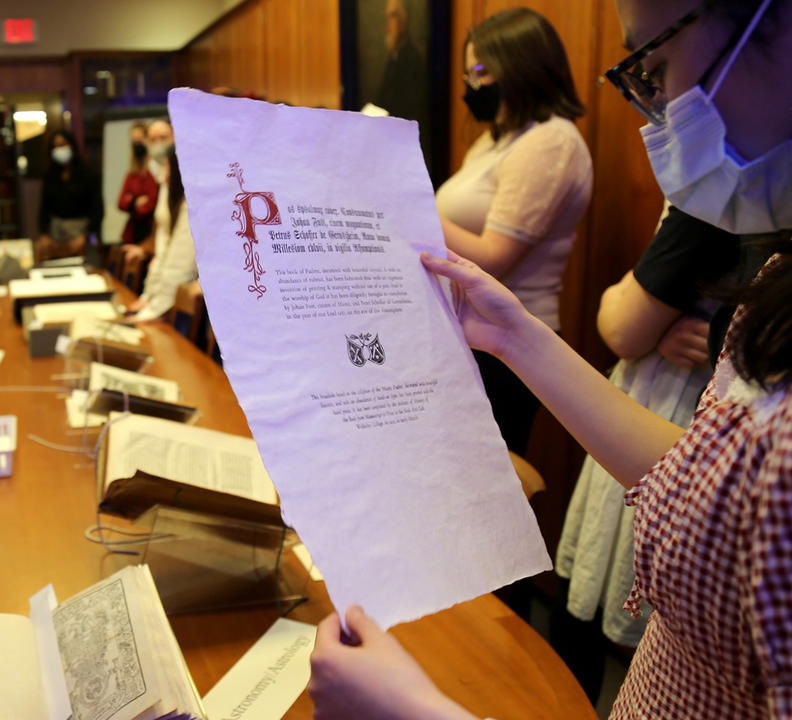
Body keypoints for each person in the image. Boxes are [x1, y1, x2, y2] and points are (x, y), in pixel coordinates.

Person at [310, 0, 792, 717]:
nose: (654, 106)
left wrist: (413, 710)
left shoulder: (553, 143)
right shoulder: (777, 281)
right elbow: (706, 472)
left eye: (654, 64)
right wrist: (513, 333)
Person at [551, 204, 740, 699]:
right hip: (674, 423)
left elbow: (620, 325)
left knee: (628, 605)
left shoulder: (714, 199)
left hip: (671, 414)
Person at [433, 8, 593, 454]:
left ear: (521, 64)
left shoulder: (551, 140)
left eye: (480, 71)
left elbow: (496, 257)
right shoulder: (493, 140)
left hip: (511, 341)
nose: (472, 84)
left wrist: (408, 211)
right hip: (471, 331)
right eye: (468, 73)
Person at [127, 148, 196, 322]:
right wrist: (149, 297)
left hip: (179, 297)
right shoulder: (171, 190)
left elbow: (180, 261)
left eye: (167, 168)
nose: (161, 176)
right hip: (163, 296)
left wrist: (156, 308)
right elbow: (163, 246)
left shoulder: (192, 200)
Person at [37, 129, 103, 262]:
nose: (59, 150)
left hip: (80, 231)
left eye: (63, 145)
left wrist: (85, 235)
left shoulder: (88, 174)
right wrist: (44, 234)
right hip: (56, 232)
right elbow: (44, 208)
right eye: (55, 147)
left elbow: (97, 209)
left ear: (72, 146)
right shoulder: (50, 176)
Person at [122, 118, 175, 267]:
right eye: (152, 140)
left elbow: (149, 203)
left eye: (163, 138)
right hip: (157, 249)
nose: (158, 144)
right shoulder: (159, 175)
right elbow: (122, 202)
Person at [116, 122, 158, 254]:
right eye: (133, 142)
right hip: (134, 231)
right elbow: (121, 202)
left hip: (152, 229)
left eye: (139, 140)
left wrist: (132, 202)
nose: (137, 145)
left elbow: (152, 202)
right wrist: (136, 202)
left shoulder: (154, 169)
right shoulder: (132, 173)